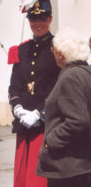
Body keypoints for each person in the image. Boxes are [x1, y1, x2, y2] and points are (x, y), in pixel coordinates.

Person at [8, 0, 60, 187]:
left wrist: (40, 113)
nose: (38, 24)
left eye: (43, 19)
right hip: (24, 125)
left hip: (47, 125)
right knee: (23, 178)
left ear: (50, 19)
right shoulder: (21, 50)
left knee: (40, 179)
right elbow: (14, 86)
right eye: (33, 19)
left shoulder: (59, 48)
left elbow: (60, 88)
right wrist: (18, 110)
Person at [36, 28, 91, 187]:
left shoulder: (70, 77)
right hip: (82, 163)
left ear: (60, 54)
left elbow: (77, 120)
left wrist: (51, 140)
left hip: (68, 167)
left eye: (53, 50)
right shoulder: (85, 72)